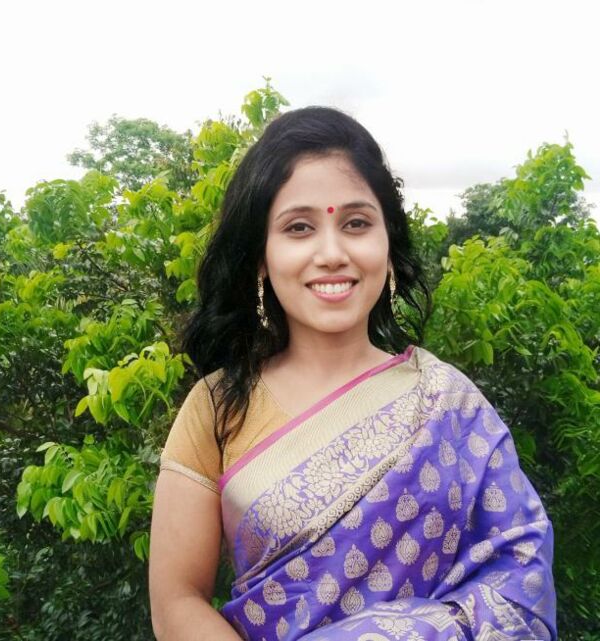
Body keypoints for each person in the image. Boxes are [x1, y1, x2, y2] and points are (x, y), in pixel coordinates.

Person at [148, 106, 557, 640]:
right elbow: (176, 601)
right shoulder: (218, 407)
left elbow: (520, 579)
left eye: (356, 224)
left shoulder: (447, 402)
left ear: (388, 243)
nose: (332, 253)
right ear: (261, 258)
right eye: (299, 228)